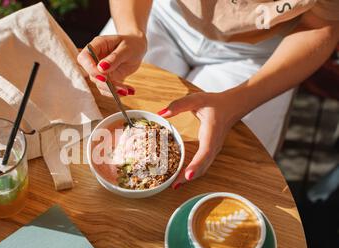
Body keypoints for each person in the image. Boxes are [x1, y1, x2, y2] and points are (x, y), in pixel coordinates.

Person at [77, 0, 339, 190]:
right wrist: (133, 31)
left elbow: (323, 22)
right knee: (93, 124)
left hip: (261, 54)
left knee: (223, 174)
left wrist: (237, 103)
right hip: (158, 15)